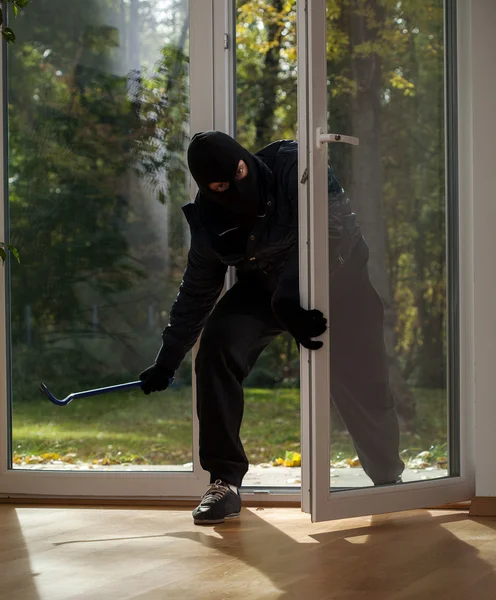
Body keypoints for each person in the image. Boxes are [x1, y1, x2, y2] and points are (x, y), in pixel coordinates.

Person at [139, 131, 404, 525]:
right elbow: (197, 290)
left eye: (241, 171)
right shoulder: (209, 219)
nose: (236, 187)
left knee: (364, 382)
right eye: (221, 186)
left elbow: (333, 232)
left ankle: (387, 480)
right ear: (208, 189)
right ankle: (224, 482)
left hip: (342, 281)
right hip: (265, 290)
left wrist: (291, 295)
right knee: (216, 347)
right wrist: (167, 358)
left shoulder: (295, 165)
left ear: (246, 158)